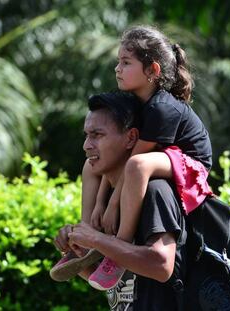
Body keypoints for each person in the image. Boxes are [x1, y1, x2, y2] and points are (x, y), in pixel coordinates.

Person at [79, 25, 212, 291]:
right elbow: (116, 166)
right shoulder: (136, 105)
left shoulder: (162, 108)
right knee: (91, 165)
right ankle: (83, 241)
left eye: (126, 63)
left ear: (153, 70)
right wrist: (97, 207)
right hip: (164, 158)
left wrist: (114, 203)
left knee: (138, 164)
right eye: (118, 62)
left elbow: (136, 162)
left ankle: (121, 245)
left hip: (190, 163)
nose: (118, 68)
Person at [54, 92, 187, 310]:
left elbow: (162, 265)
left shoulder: (155, 191)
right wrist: (77, 249)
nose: (87, 145)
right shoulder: (104, 199)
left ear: (131, 138)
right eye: (86, 135)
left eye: (97, 135)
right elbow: (107, 280)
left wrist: (96, 239)